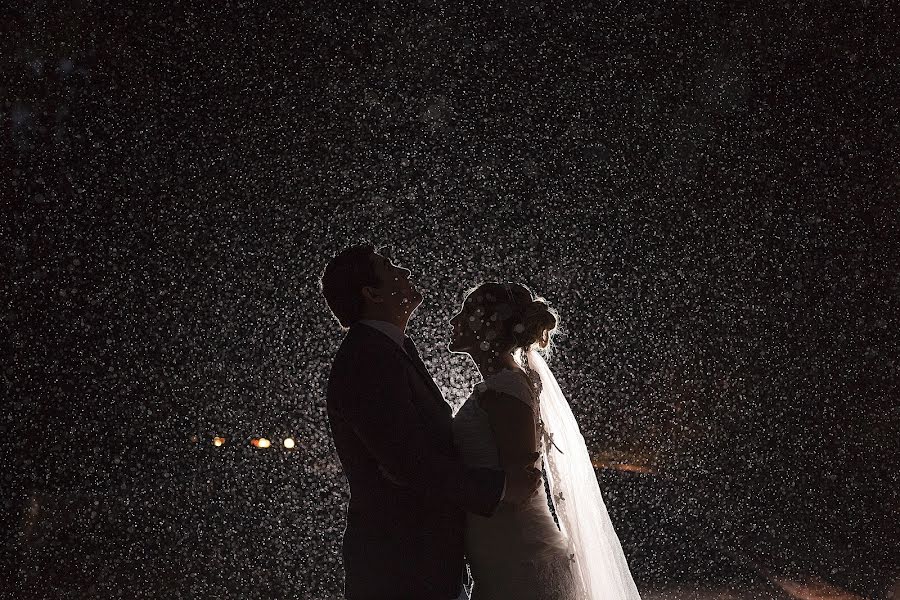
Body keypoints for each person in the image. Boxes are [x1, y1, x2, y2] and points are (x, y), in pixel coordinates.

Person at [320, 244, 542, 600]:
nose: (404, 272)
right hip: (401, 570)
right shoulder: (368, 357)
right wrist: (500, 487)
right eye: (389, 265)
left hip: (426, 562)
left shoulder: (391, 349)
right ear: (372, 293)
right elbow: (407, 462)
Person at [449, 282, 643, 600]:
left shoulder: (505, 390)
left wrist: (445, 486)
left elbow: (522, 482)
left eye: (466, 312)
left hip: (522, 562)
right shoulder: (502, 386)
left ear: (492, 325)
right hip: (504, 558)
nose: (455, 321)